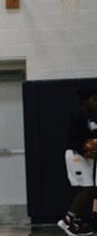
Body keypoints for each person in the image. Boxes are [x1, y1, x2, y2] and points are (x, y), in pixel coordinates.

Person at [58, 87, 97, 236]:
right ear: (86, 101)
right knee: (87, 189)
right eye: (94, 99)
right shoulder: (78, 116)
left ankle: (74, 222)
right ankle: (67, 220)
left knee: (88, 189)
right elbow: (74, 140)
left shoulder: (89, 116)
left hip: (84, 156)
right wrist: (87, 151)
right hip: (75, 155)